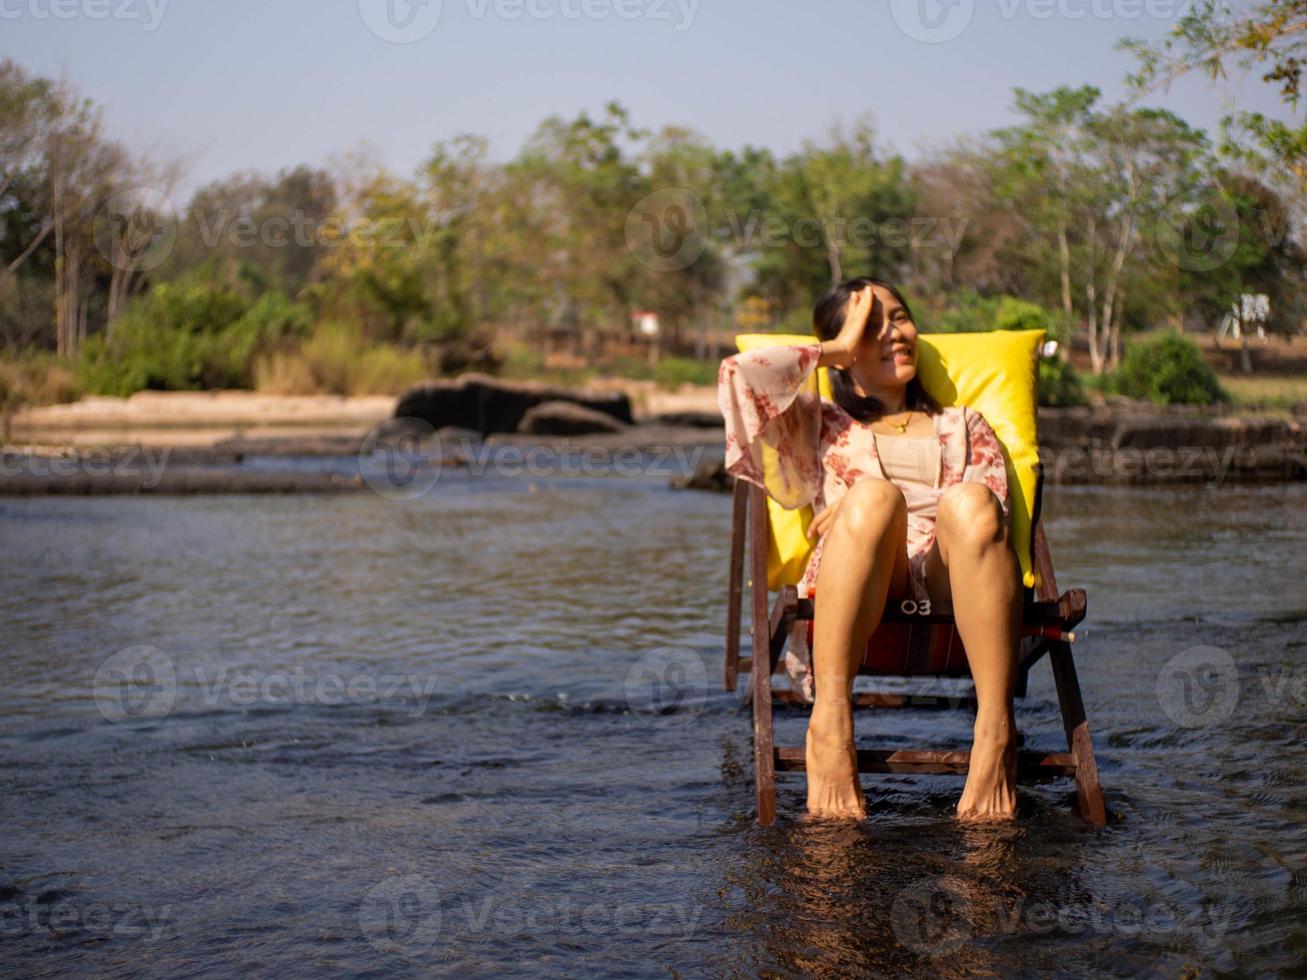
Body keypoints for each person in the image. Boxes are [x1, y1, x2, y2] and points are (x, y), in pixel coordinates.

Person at [717, 277, 1022, 822]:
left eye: (899, 317)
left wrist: (907, 500)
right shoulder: (817, 423)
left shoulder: (965, 424)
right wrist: (836, 351)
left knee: (970, 503)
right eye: (870, 326)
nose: (893, 333)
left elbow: (988, 522)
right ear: (844, 350)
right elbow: (740, 377)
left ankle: (995, 734)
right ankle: (831, 724)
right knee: (873, 500)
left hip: (952, 579)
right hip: (860, 573)